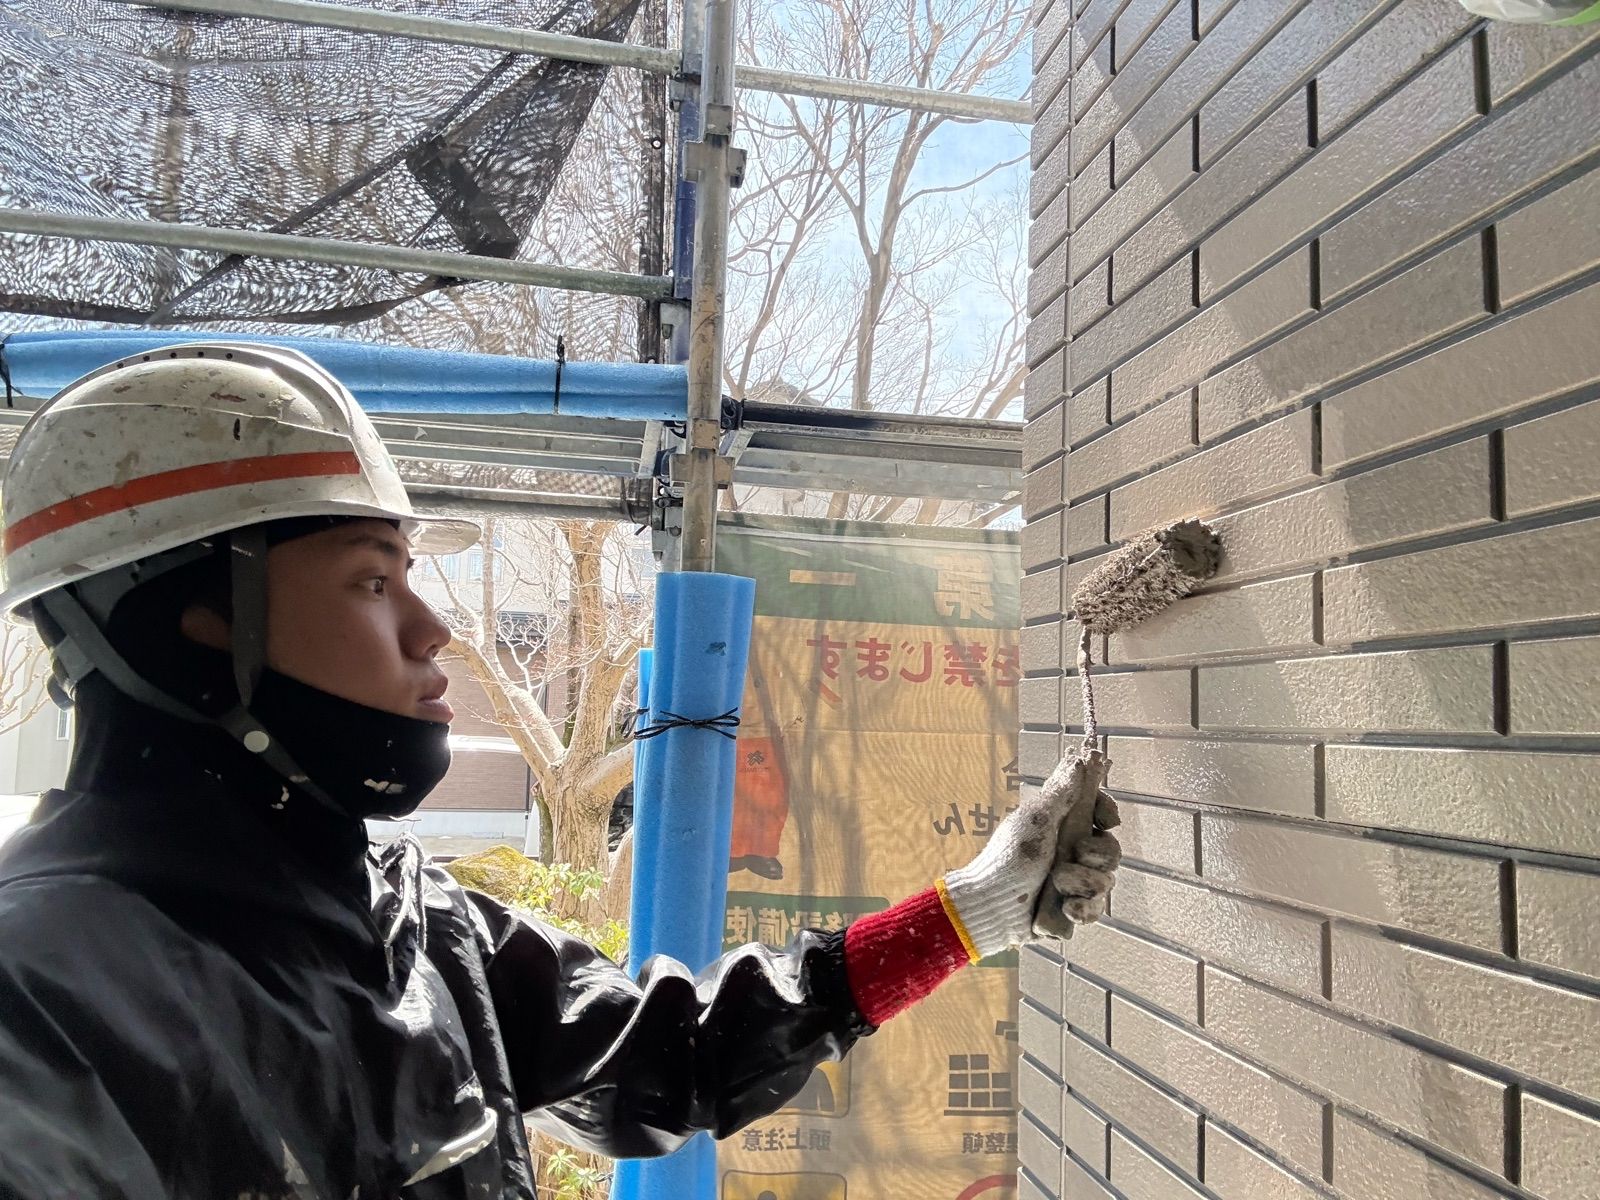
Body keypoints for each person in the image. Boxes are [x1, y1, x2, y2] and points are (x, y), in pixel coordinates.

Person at [0, 343, 1121, 1199]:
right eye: (372, 582)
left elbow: (671, 1058)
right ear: (192, 623)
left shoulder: (415, 922)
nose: (432, 630)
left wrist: (972, 909)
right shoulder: (41, 995)